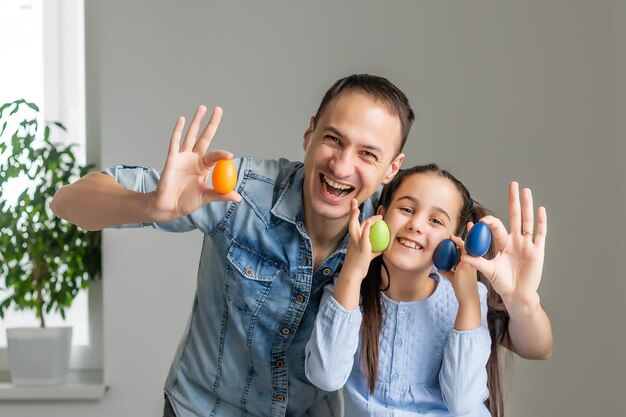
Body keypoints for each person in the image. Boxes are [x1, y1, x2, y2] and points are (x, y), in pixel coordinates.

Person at [50, 74, 552, 417]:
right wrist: (152, 208)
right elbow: (67, 201)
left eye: (368, 153)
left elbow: (524, 343)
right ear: (309, 135)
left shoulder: (401, 232)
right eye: (333, 139)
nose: (341, 165)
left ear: (391, 170)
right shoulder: (237, 192)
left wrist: (520, 299)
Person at [306, 164, 539, 416]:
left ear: (453, 239)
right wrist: (352, 271)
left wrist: (468, 300)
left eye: (436, 221)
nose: (416, 224)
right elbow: (325, 376)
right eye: (406, 209)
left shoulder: (467, 299)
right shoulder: (346, 292)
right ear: (380, 215)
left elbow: (462, 403)